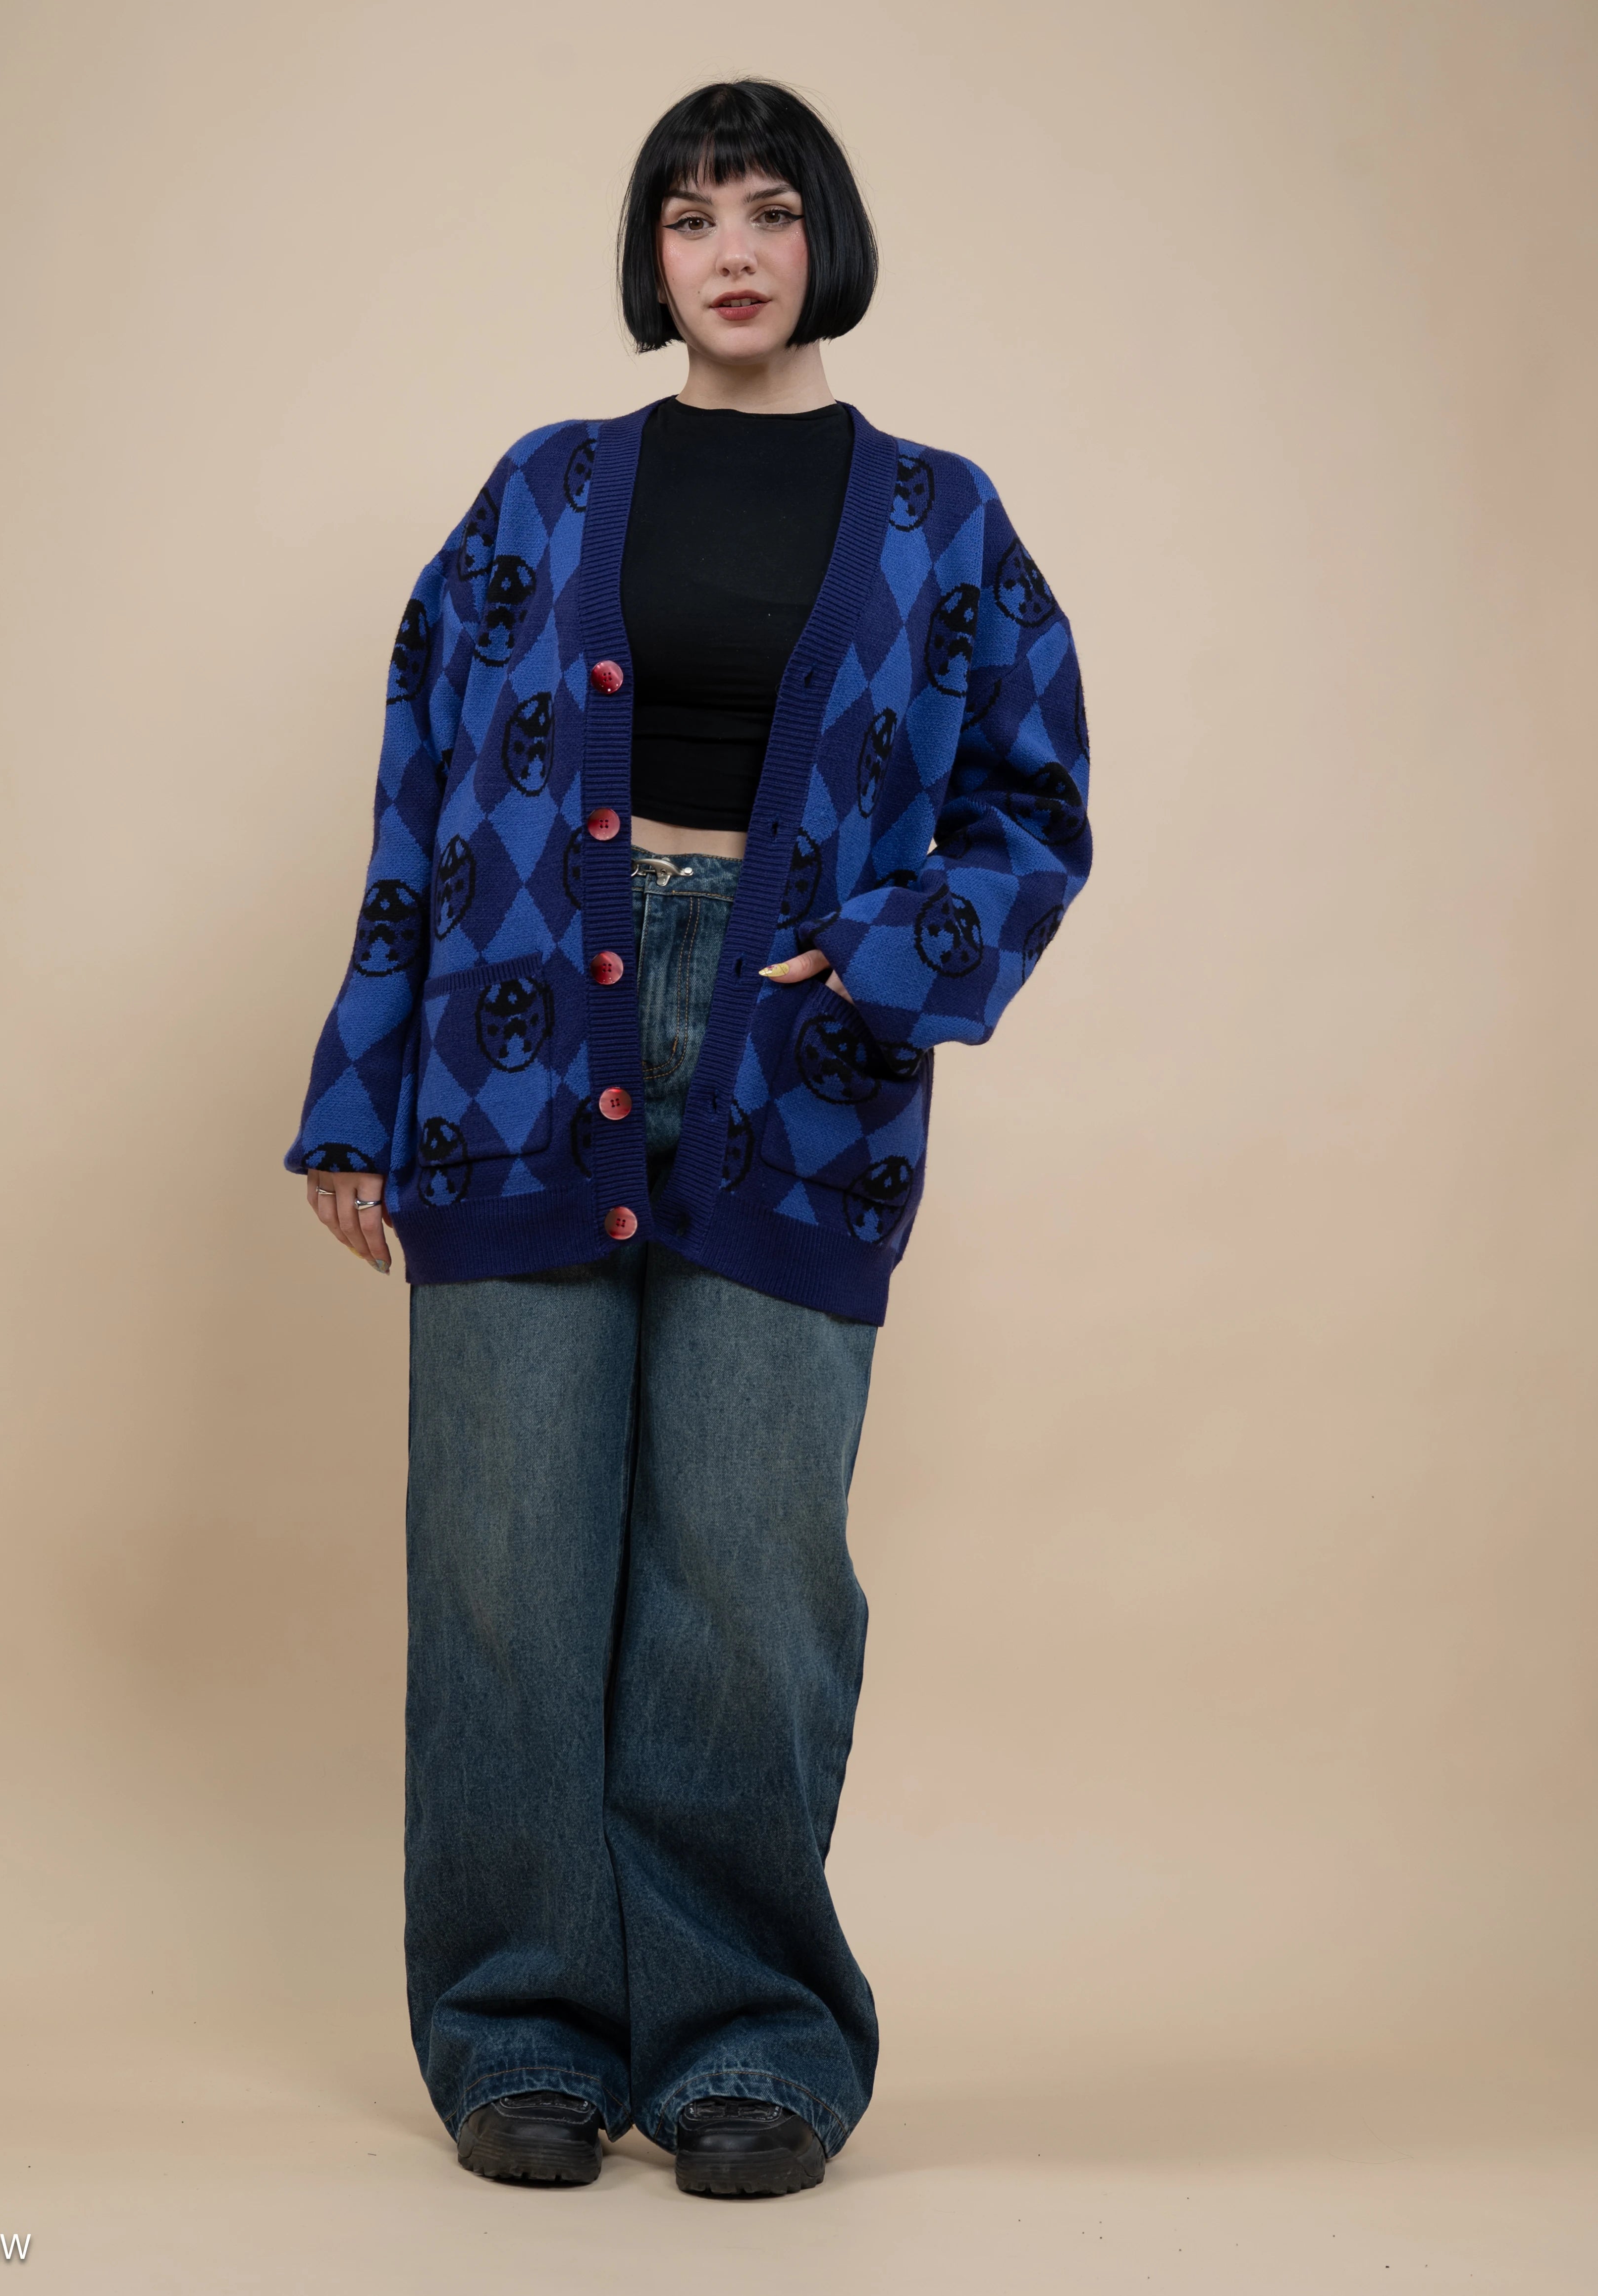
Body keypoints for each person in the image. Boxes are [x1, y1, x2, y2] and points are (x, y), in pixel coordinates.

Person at [286, 79, 1092, 2198]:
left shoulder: (940, 521)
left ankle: (753, 2037)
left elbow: (1031, 803)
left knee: (748, 1571)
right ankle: (520, 2028)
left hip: (794, 1053)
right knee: (503, 1569)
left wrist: (888, 956)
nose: (732, 250)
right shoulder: (544, 489)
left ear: (827, 239)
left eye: (768, 210)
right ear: (649, 260)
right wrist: (359, 1084)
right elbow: (420, 778)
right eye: (688, 216)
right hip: (513, 1045)